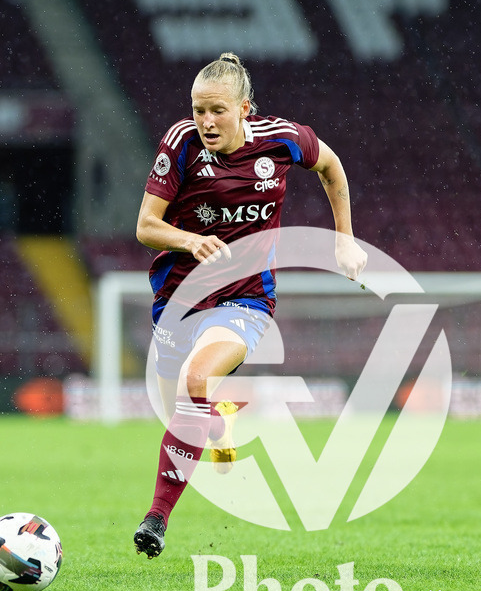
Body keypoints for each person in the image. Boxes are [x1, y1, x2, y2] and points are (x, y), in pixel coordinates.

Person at [131, 53, 367, 558]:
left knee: (195, 381)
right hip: (178, 298)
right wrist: (190, 240)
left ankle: (156, 519)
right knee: (184, 409)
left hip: (246, 297)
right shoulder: (180, 145)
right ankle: (218, 421)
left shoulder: (281, 139)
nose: (206, 122)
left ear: (245, 108)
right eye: (198, 110)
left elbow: (330, 164)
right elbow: (146, 227)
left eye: (217, 110)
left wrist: (344, 238)